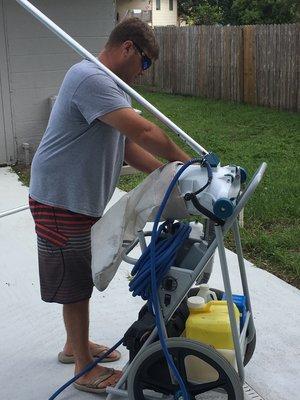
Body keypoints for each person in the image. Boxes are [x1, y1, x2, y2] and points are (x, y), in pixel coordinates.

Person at [29, 17, 190, 394]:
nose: (145, 72)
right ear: (128, 48)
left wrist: (171, 179)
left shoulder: (114, 89)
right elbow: (144, 132)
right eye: (146, 62)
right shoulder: (90, 78)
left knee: (78, 274)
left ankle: (75, 346)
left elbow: (128, 149)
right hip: (59, 197)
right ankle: (83, 367)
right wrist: (189, 164)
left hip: (78, 199)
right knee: (76, 282)